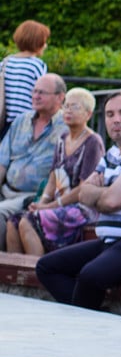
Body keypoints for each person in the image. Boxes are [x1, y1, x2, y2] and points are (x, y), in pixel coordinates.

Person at [35, 92, 121, 310]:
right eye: (110, 114)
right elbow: (84, 193)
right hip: (112, 242)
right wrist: (109, 195)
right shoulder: (112, 154)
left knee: (90, 275)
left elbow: (110, 201)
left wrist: (105, 195)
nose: (116, 119)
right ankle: (92, 317)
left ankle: (83, 325)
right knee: (46, 267)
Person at [6, 88, 104, 255]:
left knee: (28, 221)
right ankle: (17, 276)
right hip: (57, 205)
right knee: (13, 221)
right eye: (66, 106)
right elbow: (53, 176)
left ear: (88, 114)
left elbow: (84, 189)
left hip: (81, 209)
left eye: (75, 107)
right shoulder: (62, 138)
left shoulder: (93, 142)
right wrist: (43, 202)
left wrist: (50, 206)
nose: (68, 110)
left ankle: (37, 275)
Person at [0, 74, 67, 250]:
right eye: (34, 91)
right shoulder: (21, 120)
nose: (35, 96)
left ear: (60, 97)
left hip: (32, 195)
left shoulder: (67, 127)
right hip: (6, 190)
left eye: (42, 92)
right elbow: (2, 162)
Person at [2, 20, 49, 136]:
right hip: (27, 123)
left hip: (4, 121)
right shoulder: (37, 65)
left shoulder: (5, 63)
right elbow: (45, 92)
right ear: (38, 42)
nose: (45, 45)